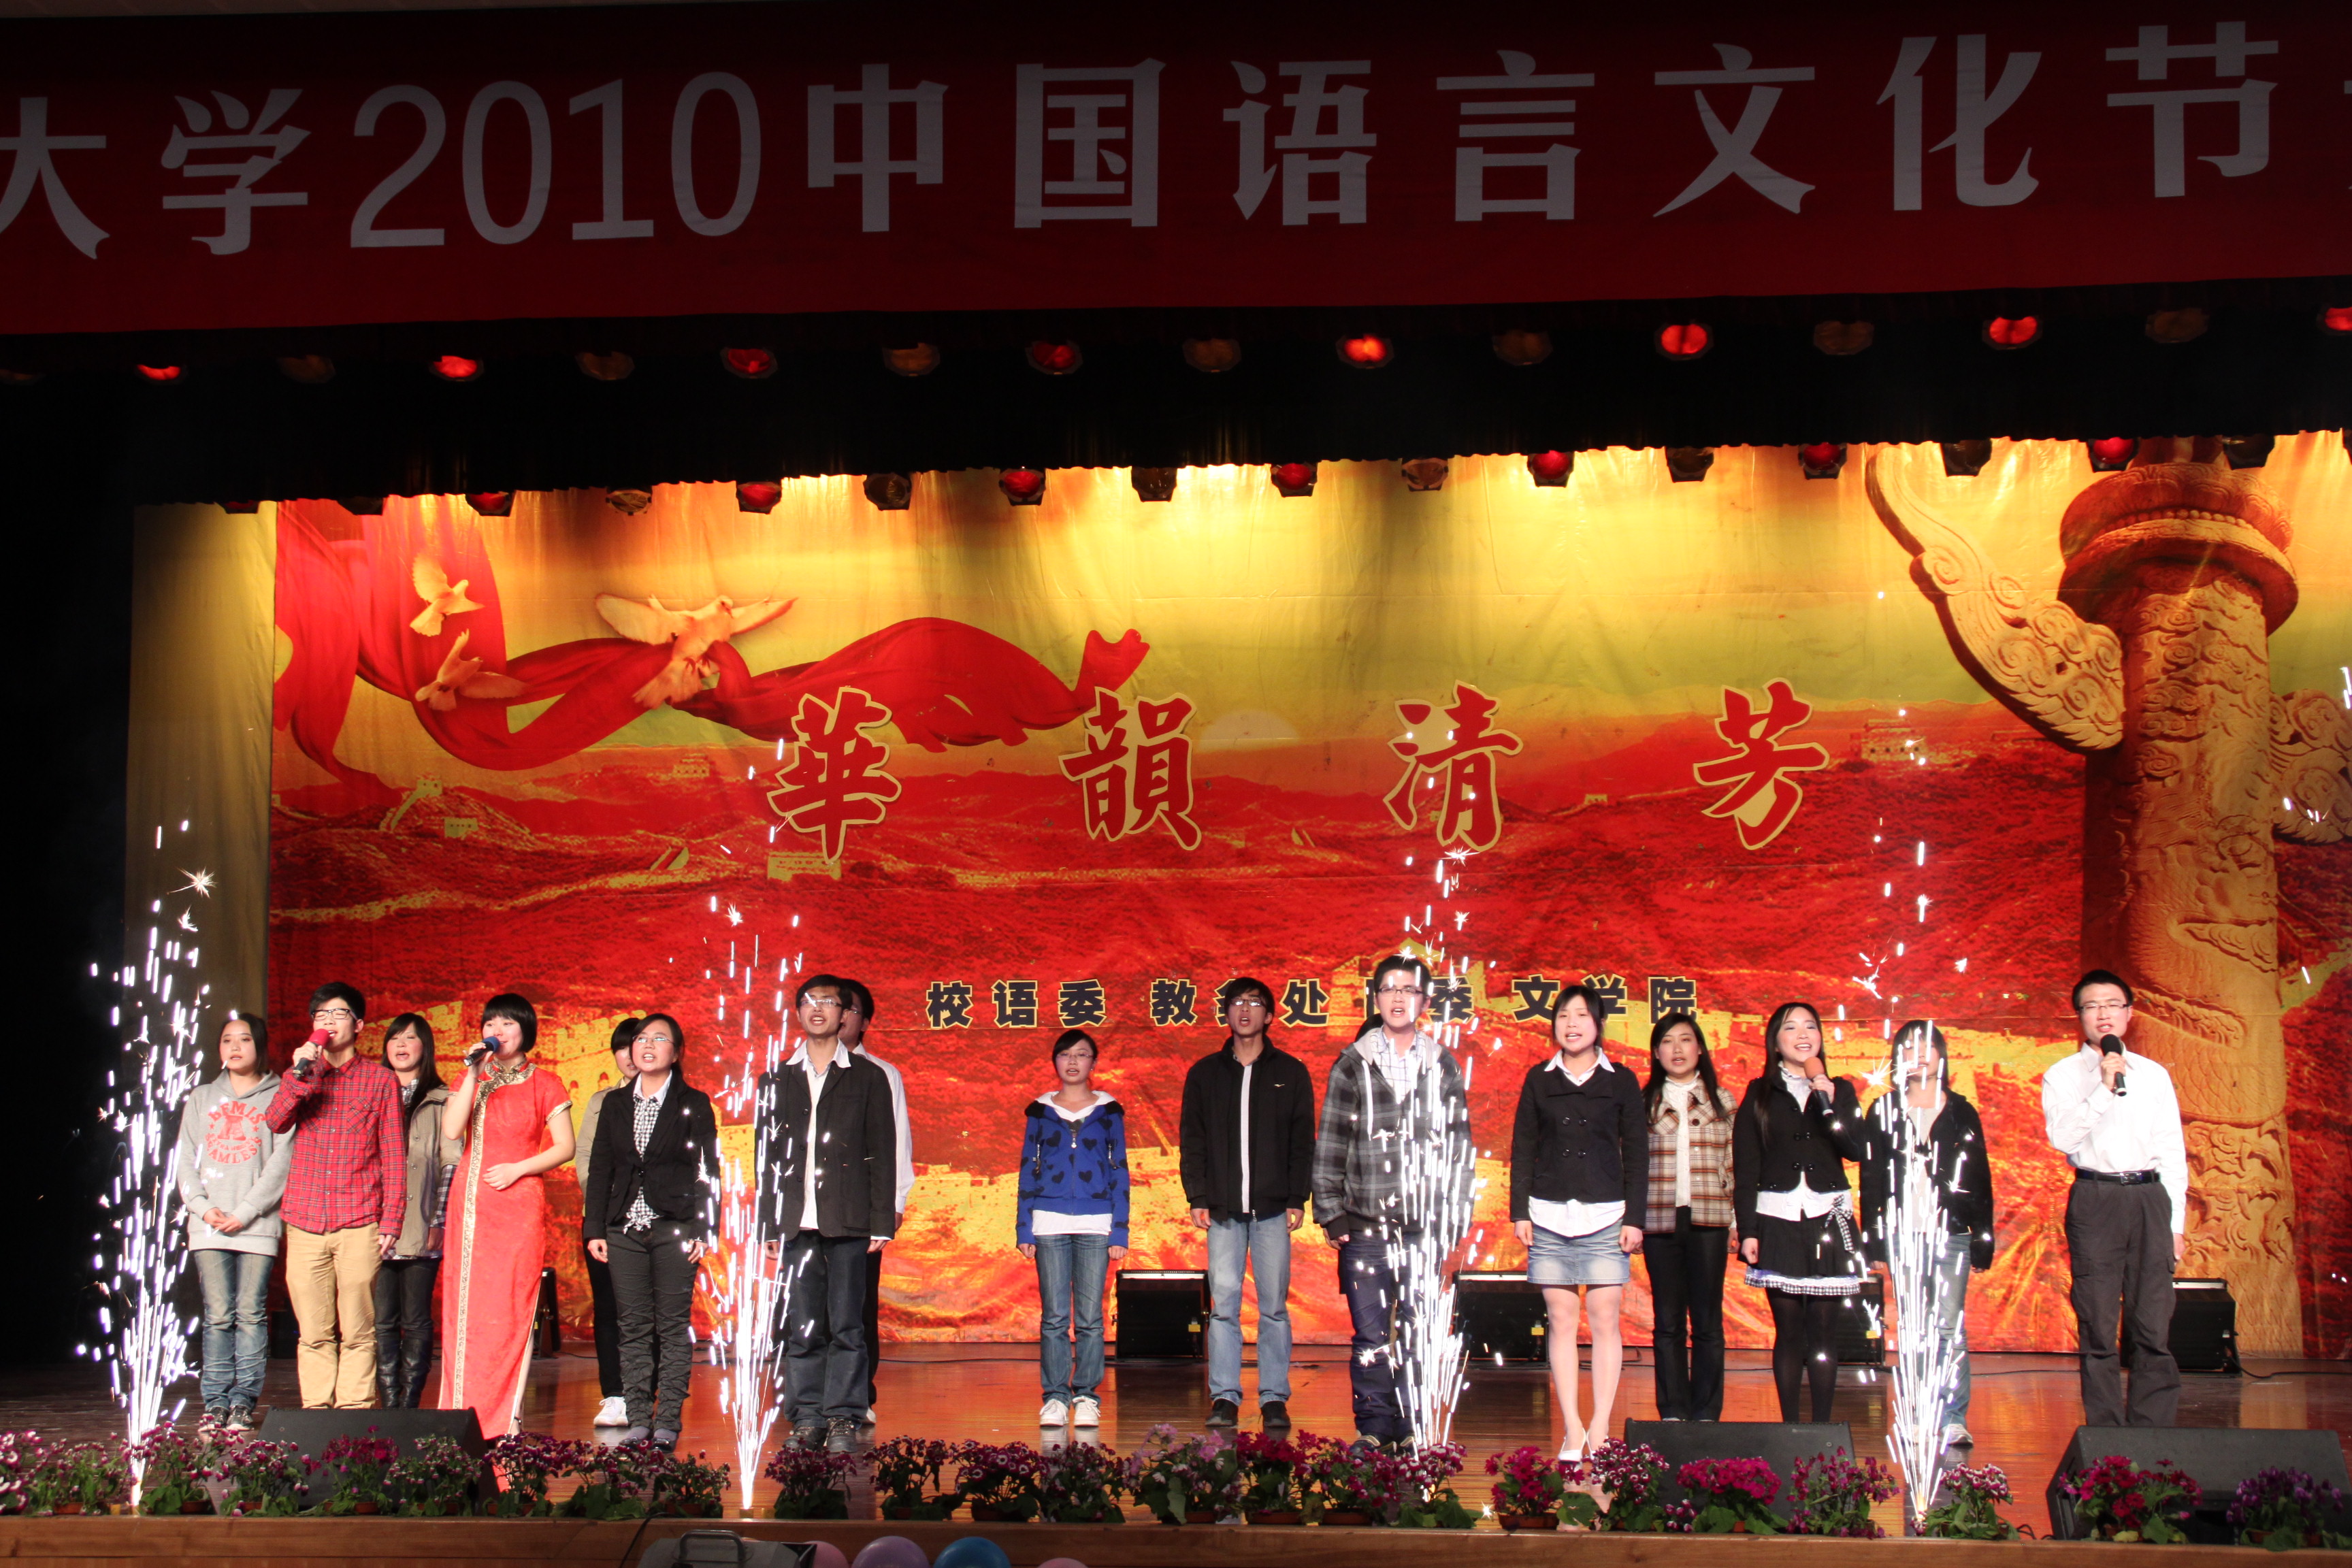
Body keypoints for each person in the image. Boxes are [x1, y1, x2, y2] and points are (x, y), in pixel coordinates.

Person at [1310, 956, 1473, 1446]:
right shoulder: (1353, 1063)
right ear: (1376, 998)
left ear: (1425, 1000)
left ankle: (1412, 1427)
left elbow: (1459, 1146)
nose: (1399, 998)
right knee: (1371, 1336)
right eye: (1389, 989)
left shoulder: (1442, 1064)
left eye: (1409, 990)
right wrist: (1331, 1212)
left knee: (1420, 1331)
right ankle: (1375, 1427)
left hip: (1424, 1228)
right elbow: (1332, 1140)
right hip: (1366, 1226)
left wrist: (1455, 1218)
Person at [2043, 969, 2187, 1428]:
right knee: (2098, 1324)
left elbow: (2172, 1152)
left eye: (2112, 1004)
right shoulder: (2063, 1075)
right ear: (2080, 1017)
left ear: (2129, 1012)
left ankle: (2153, 1439)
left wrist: (2175, 1224)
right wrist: (2104, 1089)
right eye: (2092, 1006)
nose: (2103, 1013)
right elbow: (2063, 1138)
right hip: (2096, 1197)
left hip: (2149, 1197)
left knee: (2152, 1325)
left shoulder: (2154, 1075)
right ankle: (2106, 1442)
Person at [1511, 985, 1646, 1460]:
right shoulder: (1539, 1078)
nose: (1572, 1024)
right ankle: (1572, 1427)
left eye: (1582, 1015)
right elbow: (1523, 1147)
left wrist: (1635, 1218)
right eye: (1564, 1015)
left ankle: (1601, 1426)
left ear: (1599, 1024)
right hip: (1549, 1214)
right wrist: (1520, 1212)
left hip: (1607, 1215)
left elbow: (1638, 1153)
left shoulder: (1621, 1080)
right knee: (1561, 1320)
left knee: (1605, 1317)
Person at [764, 975, 897, 1454]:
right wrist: (768, 1221)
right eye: (809, 1001)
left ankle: (843, 1415)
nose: (818, 1008)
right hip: (795, 1218)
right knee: (802, 1325)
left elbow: (882, 1152)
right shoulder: (777, 1079)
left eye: (829, 1002)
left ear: (845, 1015)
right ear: (798, 1012)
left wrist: (882, 1221)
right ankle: (807, 1416)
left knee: (847, 1324)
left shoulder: (868, 1076)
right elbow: (767, 1158)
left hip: (849, 1218)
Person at [1179, 976, 1315, 1432]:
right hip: (1222, 1210)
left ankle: (1274, 1397)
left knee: (1273, 1307)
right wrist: (1198, 1195)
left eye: (1254, 1003)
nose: (1244, 1010)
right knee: (1224, 1307)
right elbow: (1193, 1139)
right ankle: (1225, 1396)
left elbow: (1302, 1141)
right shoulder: (1205, 1073)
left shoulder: (1290, 1072)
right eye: (1236, 1002)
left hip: (1273, 1209)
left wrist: (1297, 1197)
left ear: (1270, 1016)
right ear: (1226, 1014)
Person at [439, 992, 575, 1438]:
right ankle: (458, 1418)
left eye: (508, 1024)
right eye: (490, 1024)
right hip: (471, 1204)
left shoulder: (546, 1083)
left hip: (517, 1204)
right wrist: (471, 1073)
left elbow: (565, 1147)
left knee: (509, 1309)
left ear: (526, 1031)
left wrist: (519, 1168)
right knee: (467, 1311)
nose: (497, 1031)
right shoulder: (472, 1076)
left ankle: (502, 1422)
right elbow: (452, 1130)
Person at [265, 981, 406, 1409]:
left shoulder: (380, 1080)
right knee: (313, 1332)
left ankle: (353, 1417)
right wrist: (301, 1073)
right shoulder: (301, 1074)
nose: (328, 1021)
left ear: (358, 1025)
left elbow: (394, 1154)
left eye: (338, 1013)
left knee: (359, 1331)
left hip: (359, 1219)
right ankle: (316, 1414)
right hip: (305, 1219)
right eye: (321, 1015)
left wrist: (392, 1219)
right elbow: (275, 1121)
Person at [584, 1012, 719, 1450]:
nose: (647, 1045)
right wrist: (594, 1227)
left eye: (659, 1039)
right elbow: (601, 1167)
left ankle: (667, 1423)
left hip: (675, 1227)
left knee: (672, 1326)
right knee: (633, 1327)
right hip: (623, 1228)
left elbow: (708, 1170)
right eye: (641, 1038)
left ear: (675, 1053)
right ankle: (639, 1419)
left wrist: (704, 1227)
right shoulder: (615, 1103)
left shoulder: (693, 1102)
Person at [1861, 1019, 1996, 1449]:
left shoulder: (1961, 1111)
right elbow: (1871, 1179)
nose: (1918, 1055)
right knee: (1915, 1327)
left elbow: (1980, 1178)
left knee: (1948, 1327)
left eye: (1926, 1046)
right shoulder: (1883, 1109)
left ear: (1941, 1054)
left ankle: (1953, 1417)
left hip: (1952, 1234)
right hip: (1903, 1234)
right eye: (1908, 1048)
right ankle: (1919, 1414)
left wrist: (1984, 1236)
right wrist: (1872, 1240)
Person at [1733, 1000, 1868, 1423]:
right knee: (1789, 1331)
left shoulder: (1841, 1089)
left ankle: (1822, 1430)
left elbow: (1855, 1148)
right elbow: (1746, 1166)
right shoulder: (1759, 1093)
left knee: (1824, 1331)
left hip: (1829, 1216)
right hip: (1778, 1218)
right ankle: (1790, 1427)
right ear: (1776, 1042)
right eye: (1791, 1028)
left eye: (1810, 1026)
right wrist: (1748, 1230)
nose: (1803, 1034)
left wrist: (1829, 1100)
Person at [178, 1009, 292, 1428]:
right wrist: (201, 1205)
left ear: (259, 1046)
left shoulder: (279, 1096)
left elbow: (281, 1163)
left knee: (250, 1313)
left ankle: (243, 1401)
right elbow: (184, 1159)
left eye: (244, 1039)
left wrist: (245, 1213)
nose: (235, 1047)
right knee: (218, 1314)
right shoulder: (202, 1097)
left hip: (257, 1225)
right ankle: (215, 1402)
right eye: (227, 1040)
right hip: (208, 1224)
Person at [1017, 1028, 1130, 1431]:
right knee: (1054, 1316)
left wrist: (1120, 1230)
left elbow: (1119, 1171)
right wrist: (1024, 1228)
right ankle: (1054, 1397)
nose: (1072, 1061)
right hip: (1048, 1221)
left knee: (1089, 1318)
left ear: (1093, 1063)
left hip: (1095, 1222)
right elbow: (1027, 1170)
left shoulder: (1109, 1111)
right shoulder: (1039, 1111)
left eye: (1081, 1054)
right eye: (1065, 1054)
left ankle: (1086, 1396)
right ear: (1055, 1061)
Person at [1639, 1011, 1737, 1424]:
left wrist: (1737, 1222)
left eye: (1685, 1040)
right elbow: (1631, 1166)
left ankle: (1707, 1413)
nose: (1677, 1049)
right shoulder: (1643, 1103)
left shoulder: (1723, 1100)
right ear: (1656, 1053)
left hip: (1710, 1219)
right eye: (1667, 1041)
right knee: (1668, 1322)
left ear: (1700, 1048)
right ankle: (1673, 1411)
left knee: (1708, 1321)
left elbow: (1734, 1163)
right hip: (1659, 1220)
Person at [375, 1013, 461, 1407]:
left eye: (410, 1038)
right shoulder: (372, 1092)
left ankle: (409, 1402)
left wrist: (439, 1219)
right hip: (373, 1223)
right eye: (395, 1037)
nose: (401, 1044)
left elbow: (450, 1162)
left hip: (421, 1221)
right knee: (381, 1320)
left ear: (425, 1046)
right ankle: (388, 1401)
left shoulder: (442, 1098)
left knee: (415, 1318)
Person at [838, 979, 912, 1426]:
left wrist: (894, 1203)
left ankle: (859, 1394)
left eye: (847, 1008)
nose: (837, 1014)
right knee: (808, 1308)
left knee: (859, 1304)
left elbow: (896, 1144)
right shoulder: (792, 1069)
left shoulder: (883, 1074)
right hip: (806, 1212)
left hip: (861, 1210)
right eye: (828, 1004)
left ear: (864, 1021)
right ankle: (810, 1397)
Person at [576, 1018, 643, 1428]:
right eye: (621, 1048)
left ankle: (645, 1393)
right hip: (605, 1217)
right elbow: (585, 1159)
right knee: (608, 1308)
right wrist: (609, 1202)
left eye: (636, 1044)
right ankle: (614, 1394)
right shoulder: (601, 1101)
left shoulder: (675, 1099)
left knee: (648, 1310)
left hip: (652, 1219)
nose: (628, 1055)